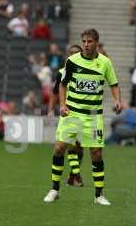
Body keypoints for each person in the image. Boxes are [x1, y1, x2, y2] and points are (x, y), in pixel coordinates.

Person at [43, 28, 122, 206]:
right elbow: (62, 86)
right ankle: (55, 189)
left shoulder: (105, 63)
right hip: (73, 114)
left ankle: (99, 195)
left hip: (94, 117)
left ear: (96, 42)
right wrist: (62, 105)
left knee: (96, 154)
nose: (86, 45)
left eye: (90, 42)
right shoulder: (72, 61)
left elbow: (114, 83)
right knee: (59, 148)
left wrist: (118, 100)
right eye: (84, 41)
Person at [48, 44, 84, 187]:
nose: (73, 55)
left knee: (79, 147)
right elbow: (55, 92)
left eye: (76, 53)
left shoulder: (86, 72)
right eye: (71, 53)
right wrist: (51, 109)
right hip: (68, 113)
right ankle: (76, 176)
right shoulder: (62, 72)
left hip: (82, 113)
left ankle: (72, 175)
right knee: (69, 145)